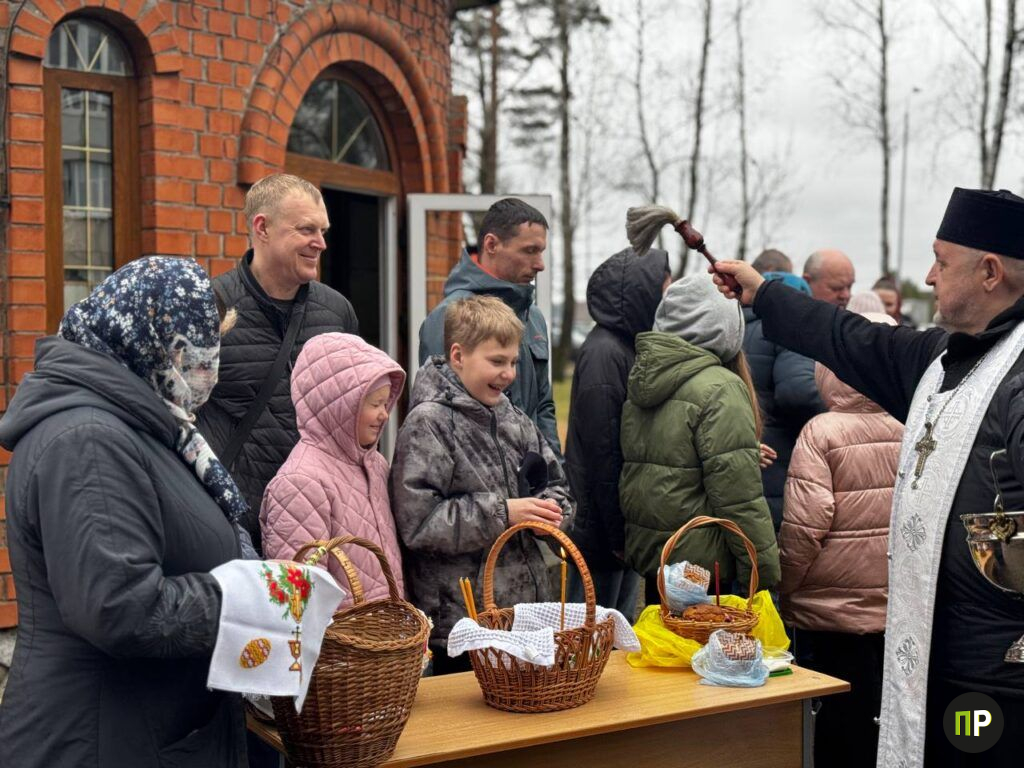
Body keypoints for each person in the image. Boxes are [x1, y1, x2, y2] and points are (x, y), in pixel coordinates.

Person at [710, 187, 1024, 768]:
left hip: (996, 677)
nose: (927, 277)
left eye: (940, 259)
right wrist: (765, 294)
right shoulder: (944, 359)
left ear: (989, 272)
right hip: (933, 659)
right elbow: (854, 340)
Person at [0, 258, 249, 768]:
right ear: (152, 343)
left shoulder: (144, 424)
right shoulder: (88, 440)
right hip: (98, 738)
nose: (209, 373)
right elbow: (118, 607)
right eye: (198, 354)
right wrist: (244, 596)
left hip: (146, 729)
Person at [392, 296, 573, 673]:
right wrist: (502, 513)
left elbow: (554, 483)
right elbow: (419, 522)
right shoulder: (428, 424)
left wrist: (552, 513)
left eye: (513, 362)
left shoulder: (516, 419)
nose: (508, 374)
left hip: (522, 617)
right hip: (461, 626)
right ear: (458, 356)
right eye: (496, 361)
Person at [196, 173, 358, 554]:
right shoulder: (211, 308)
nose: (320, 243)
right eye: (306, 229)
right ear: (262, 227)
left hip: (316, 524)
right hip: (232, 525)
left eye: (323, 230)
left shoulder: (337, 311)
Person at [779, 313, 904, 768]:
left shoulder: (821, 433)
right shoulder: (910, 425)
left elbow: (805, 527)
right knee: (886, 714)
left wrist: (787, 586)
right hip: (895, 604)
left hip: (830, 610)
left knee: (838, 721)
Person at [619, 275, 781, 607]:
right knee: (706, 658)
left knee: (666, 653)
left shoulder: (645, 378)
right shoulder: (720, 387)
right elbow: (738, 496)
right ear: (725, 326)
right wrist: (762, 570)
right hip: (705, 570)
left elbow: (672, 460)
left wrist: (741, 453)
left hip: (659, 557)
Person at [565, 247, 670, 621]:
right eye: (663, 285)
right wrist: (620, 537)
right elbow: (605, 455)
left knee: (616, 631)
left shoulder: (625, 344)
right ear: (641, 291)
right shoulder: (606, 353)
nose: (668, 294)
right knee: (591, 634)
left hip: (617, 527)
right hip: (602, 532)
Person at [261, 332, 406, 605]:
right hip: (342, 645)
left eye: (386, 403)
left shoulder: (375, 464)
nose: (384, 414)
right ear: (338, 405)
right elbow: (300, 598)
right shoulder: (299, 482)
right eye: (374, 404)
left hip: (387, 640)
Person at [417, 198, 560, 456]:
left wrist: (553, 476)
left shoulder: (534, 317)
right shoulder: (449, 317)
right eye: (530, 251)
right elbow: (437, 419)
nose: (540, 264)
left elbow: (543, 406)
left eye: (541, 251)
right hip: (480, 485)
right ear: (491, 244)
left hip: (532, 483)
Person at [742, 266, 825, 530]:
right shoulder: (789, 328)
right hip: (777, 463)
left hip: (741, 459)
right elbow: (798, 393)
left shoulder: (734, 327)